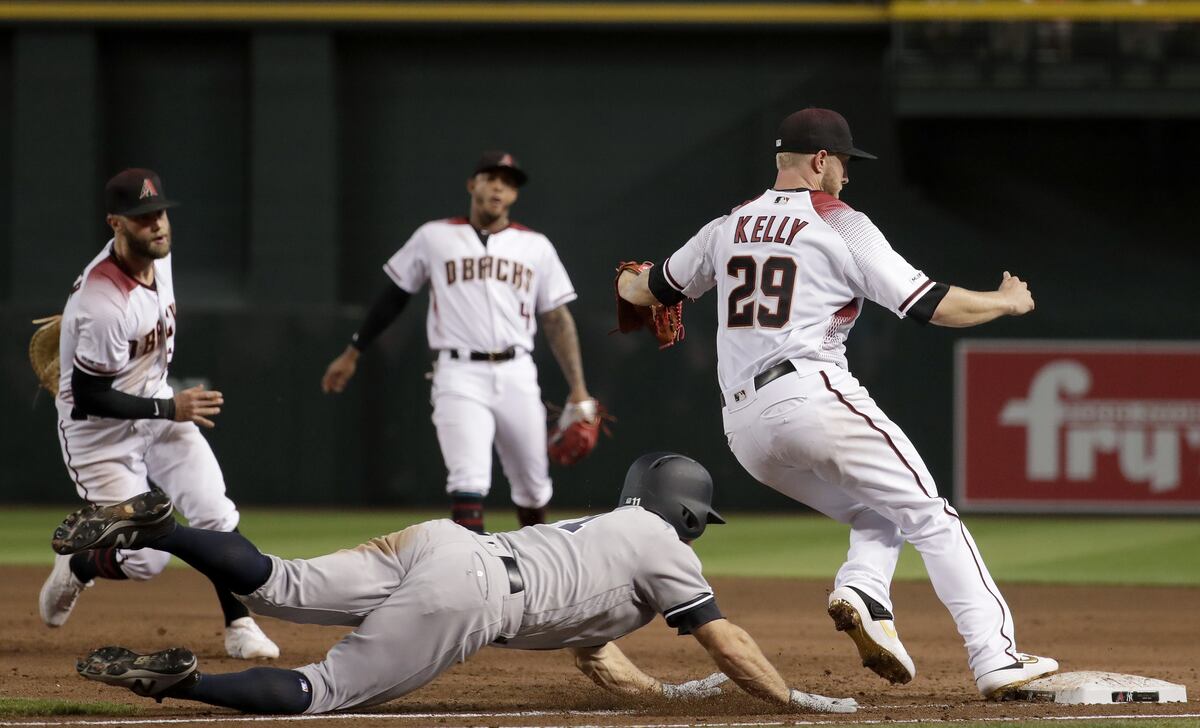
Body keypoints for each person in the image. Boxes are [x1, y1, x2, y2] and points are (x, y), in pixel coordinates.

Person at [615, 109, 1057, 699]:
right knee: (932, 516)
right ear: (820, 160)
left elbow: (647, 289)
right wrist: (1004, 302)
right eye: (844, 162)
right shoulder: (839, 222)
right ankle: (995, 657)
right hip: (810, 393)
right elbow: (931, 305)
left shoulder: (727, 227)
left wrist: (626, 279)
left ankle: (864, 591)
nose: (847, 176)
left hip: (744, 430)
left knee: (879, 512)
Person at [58, 452, 858, 716]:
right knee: (325, 690)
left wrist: (668, 694)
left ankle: (162, 529)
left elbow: (601, 662)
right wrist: (788, 702)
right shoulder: (666, 551)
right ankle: (186, 684)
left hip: (444, 543)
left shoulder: (611, 535)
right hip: (469, 600)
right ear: (690, 511)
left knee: (273, 582)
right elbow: (729, 638)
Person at [39, 168, 278, 660]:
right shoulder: (103, 303)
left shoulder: (158, 260)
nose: (157, 225)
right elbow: (88, 396)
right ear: (116, 223)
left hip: (157, 408)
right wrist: (172, 406)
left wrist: (165, 407)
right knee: (146, 560)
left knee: (214, 510)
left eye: (160, 213)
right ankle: (81, 566)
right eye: (143, 217)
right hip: (99, 437)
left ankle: (239, 624)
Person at [321, 151, 595, 533]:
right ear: (472, 184)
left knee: (533, 488)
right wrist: (354, 351)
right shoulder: (435, 236)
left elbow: (556, 319)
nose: (499, 186)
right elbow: (395, 296)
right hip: (458, 372)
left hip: (517, 371)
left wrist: (579, 389)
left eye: (509, 181)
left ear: (514, 195)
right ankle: (473, 579)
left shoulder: (536, 246)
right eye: (491, 177)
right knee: (467, 479)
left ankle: (538, 573)